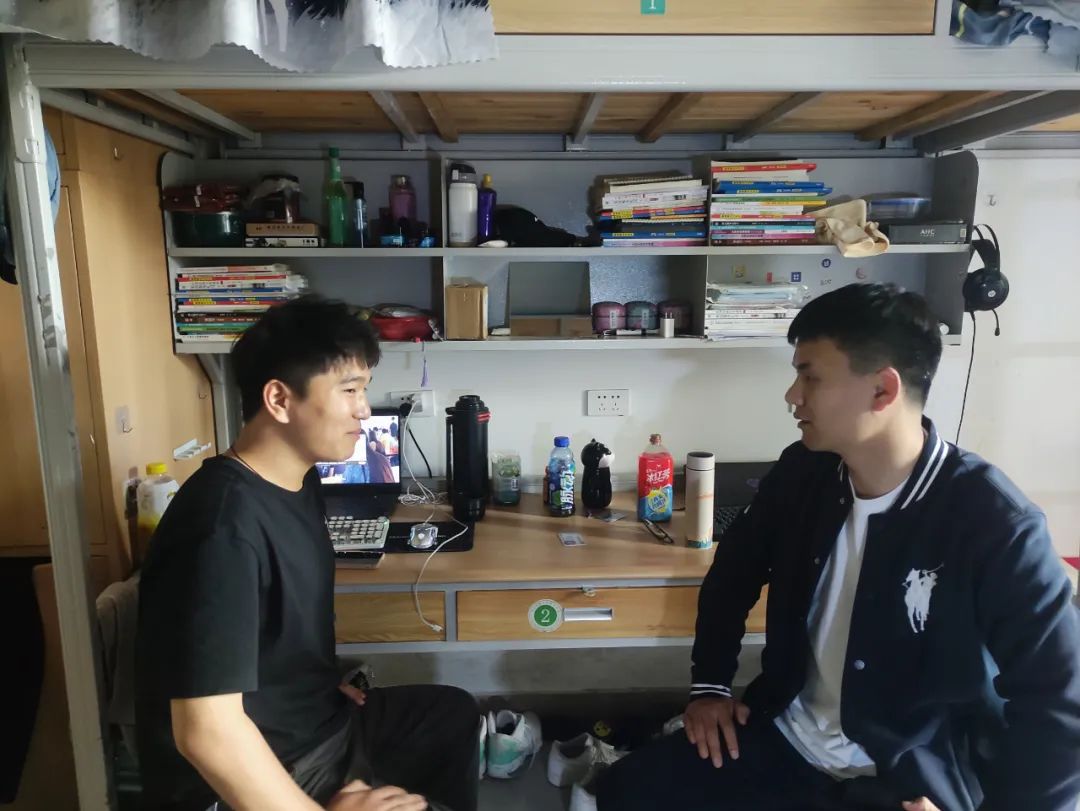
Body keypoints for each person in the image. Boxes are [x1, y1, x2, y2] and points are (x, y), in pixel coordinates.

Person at [598, 283, 1080, 811]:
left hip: (908, 775)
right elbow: (733, 573)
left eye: (811, 376)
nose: (792, 395)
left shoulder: (995, 524)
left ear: (882, 390)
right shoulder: (804, 472)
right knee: (625, 791)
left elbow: (1060, 705)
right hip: (786, 736)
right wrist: (710, 686)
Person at [136, 295, 479, 811]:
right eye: (349, 390)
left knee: (451, 714)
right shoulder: (220, 526)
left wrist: (319, 683)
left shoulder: (296, 481)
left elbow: (273, 634)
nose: (365, 409)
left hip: (314, 722)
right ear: (279, 399)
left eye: (364, 389)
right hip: (261, 767)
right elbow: (207, 733)